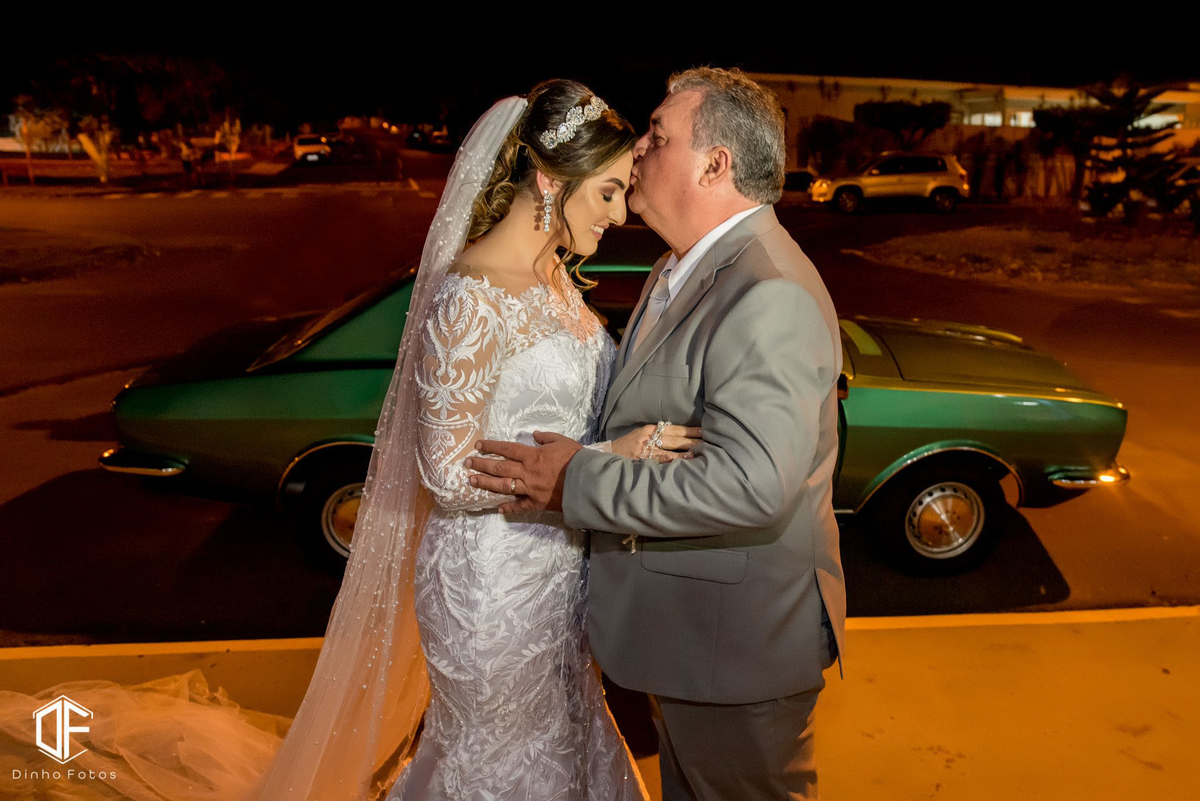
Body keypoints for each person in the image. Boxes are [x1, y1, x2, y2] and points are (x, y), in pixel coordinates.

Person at [0, 81, 694, 801]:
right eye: (607, 192)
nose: (620, 213)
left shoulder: (557, 278)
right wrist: (605, 463)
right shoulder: (471, 295)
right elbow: (447, 473)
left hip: (561, 578)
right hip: (491, 590)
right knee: (505, 762)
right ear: (550, 181)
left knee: (570, 739)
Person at [467, 67, 847, 801]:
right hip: (688, 642)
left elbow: (751, 484)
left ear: (714, 164)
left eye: (659, 134)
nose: (638, 148)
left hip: (735, 654)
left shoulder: (768, 292)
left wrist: (575, 479)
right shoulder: (681, 267)